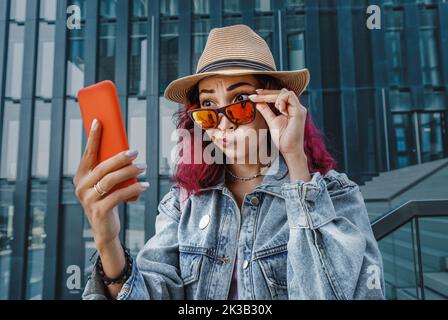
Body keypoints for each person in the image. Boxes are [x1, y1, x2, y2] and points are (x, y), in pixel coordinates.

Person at [77, 24, 385, 300]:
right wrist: (107, 241)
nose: (222, 124)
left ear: (277, 104)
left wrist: (295, 162)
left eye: (240, 102)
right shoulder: (185, 201)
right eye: (208, 104)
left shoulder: (337, 195)